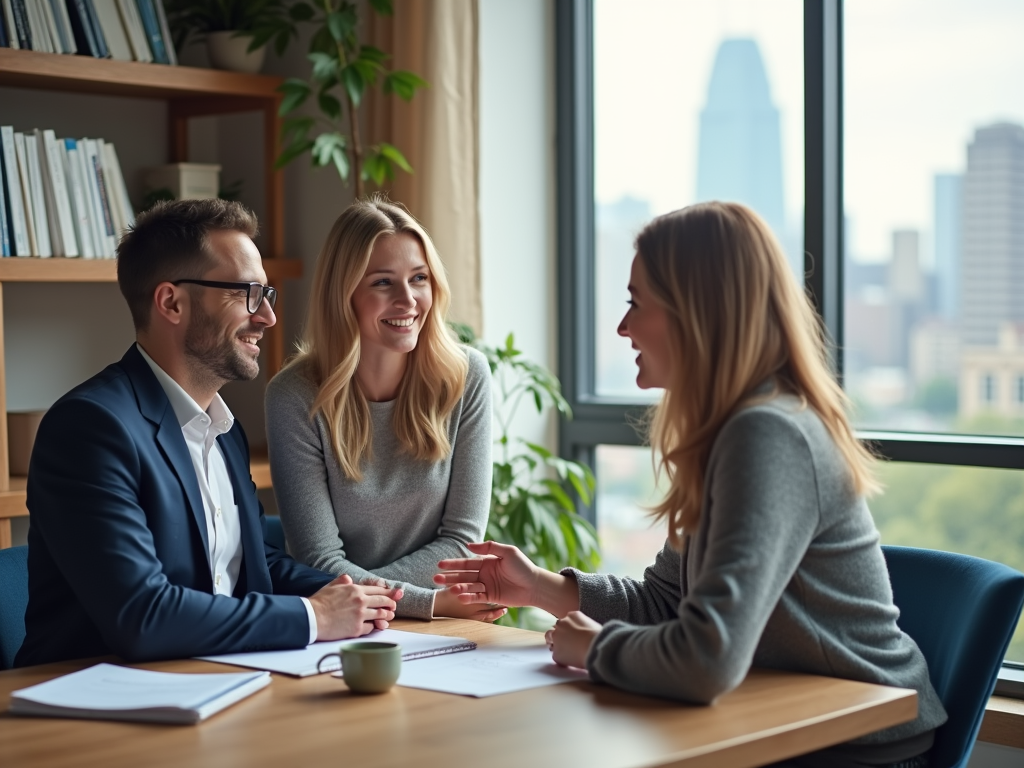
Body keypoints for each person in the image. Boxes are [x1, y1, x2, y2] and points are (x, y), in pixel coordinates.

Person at [435, 202, 947, 767]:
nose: (622, 327)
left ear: (695, 313)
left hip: (857, 745)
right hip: (782, 719)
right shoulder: (729, 431)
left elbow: (707, 658)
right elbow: (667, 602)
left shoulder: (767, 436)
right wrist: (539, 589)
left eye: (635, 303)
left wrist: (598, 648)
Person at [16, 199, 402, 668]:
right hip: (94, 711)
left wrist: (354, 593)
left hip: (219, 680)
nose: (267, 318)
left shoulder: (223, 428)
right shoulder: (90, 429)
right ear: (171, 302)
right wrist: (314, 617)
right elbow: (144, 616)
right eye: (246, 294)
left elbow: (254, 563)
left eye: (267, 295)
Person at [265, 197, 501, 622]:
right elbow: (317, 558)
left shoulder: (467, 378)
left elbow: (464, 541)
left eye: (419, 278)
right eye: (382, 282)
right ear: (344, 294)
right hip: (349, 626)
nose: (408, 300)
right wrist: (422, 601)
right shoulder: (294, 395)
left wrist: (371, 600)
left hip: (418, 618)